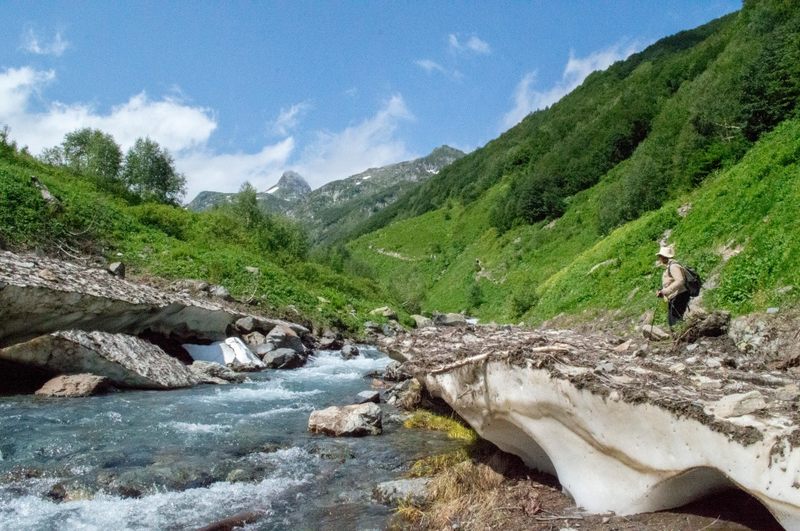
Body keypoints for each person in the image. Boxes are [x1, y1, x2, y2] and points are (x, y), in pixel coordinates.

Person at [656, 245, 690, 328]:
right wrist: (662, 292)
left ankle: (682, 338)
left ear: (664, 257)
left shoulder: (673, 266)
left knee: (675, 323)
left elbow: (680, 281)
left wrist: (666, 291)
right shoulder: (670, 266)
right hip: (676, 296)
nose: (659, 259)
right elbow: (671, 282)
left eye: (660, 256)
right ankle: (681, 338)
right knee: (674, 322)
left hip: (679, 296)